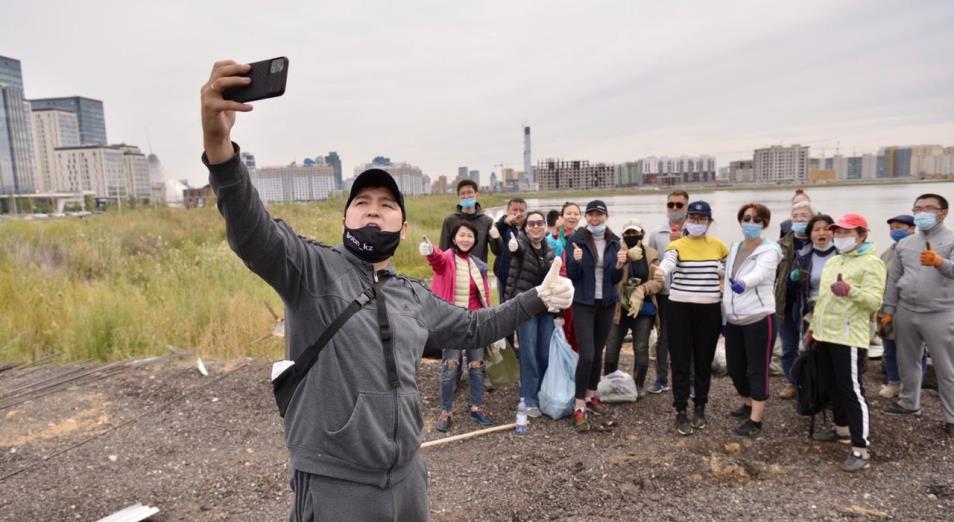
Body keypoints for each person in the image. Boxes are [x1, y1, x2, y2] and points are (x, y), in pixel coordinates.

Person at [200, 60, 574, 521]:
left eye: (386, 205)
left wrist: (538, 297)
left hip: (407, 475)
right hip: (335, 483)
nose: (373, 212)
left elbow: (477, 327)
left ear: (402, 224)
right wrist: (220, 147)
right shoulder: (310, 269)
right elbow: (251, 229)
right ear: (345, 220)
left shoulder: (411, 297)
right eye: (361, 203)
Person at [805, 213, 885, 472]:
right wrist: (813, 329)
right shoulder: (834, 260)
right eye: (837, 232)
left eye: (847, 233)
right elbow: (824, 301)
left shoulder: (872, 263)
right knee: (832, 386)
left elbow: (874, 301)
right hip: (826, 334)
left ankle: (860, 449)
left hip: (849, 336)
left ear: (862, 235)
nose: (840, 237)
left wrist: (851, 291)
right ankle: (841, 430)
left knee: (852, 389)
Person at [652, 200, 728, 436]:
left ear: (709, 222)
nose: (697, 223)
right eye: (693, 219)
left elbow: (730, 269)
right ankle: (680, 411)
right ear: (686, 221)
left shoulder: (719, 246)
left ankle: (700, 407)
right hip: (680, 310)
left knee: (703, 362)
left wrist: (726, 272)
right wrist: (662, 270)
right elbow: (669, 262)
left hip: (709, 310)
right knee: (681, 362)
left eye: (701, 219)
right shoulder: (678, 245)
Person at [882, 194, 954, 438]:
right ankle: (909, 402)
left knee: (946, 367)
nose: (922, 212)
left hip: (941, 311)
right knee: (907, 360)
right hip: (906, 309)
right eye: (918, 208)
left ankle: (951, 416)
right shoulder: (906, 244)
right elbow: (894, 279)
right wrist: (888, 310)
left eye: (928, 208)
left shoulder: (951, 239)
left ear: (943, 212)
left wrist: (940, 262)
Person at [420, 222, 494, 432]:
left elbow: (485, 296)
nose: (465, 239)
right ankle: (446, 411)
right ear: (454, 238)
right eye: (462, 235)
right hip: (452, 323)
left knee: (477, 367)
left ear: (474, 240)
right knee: (450, 367)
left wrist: (490, 324)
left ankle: (477, 407)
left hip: (475, 323)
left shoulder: (478, 265)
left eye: (469, 236)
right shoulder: (446, 259)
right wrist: (430, 250)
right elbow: (436, 260)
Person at [722, 204, 782, 438]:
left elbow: (762, 273)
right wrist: (724, 316)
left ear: (764, 223)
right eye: (746, 218)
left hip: (759, 318)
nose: (751, 223)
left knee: (757, 369)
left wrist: (744, 282)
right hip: (734, 320)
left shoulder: (770, 250)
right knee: (736, 368)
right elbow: (727, 277)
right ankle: (747, 403)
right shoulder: (735, 247)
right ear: (740, 221)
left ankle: (755, 421)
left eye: (757, 220)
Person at [567, 200, 624, 431]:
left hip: (606, 303)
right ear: (586, 217)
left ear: (606, 216)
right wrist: (577, 261)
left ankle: (591, 396)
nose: (594, 219)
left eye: (599, 215)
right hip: (583, 303)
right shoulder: (576, 240)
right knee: (587, 354)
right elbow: (572, 274)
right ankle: (579, 405)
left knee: (598, 352)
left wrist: (620, 266)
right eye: (590, 215)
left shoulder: (615, 241)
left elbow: (614, 279)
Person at [603, 219, 663, 398]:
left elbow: (658, 282)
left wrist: (642, 289)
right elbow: (609, 275)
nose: (631, 236)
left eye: (634, 232)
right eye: (627, 233)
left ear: (642, 233)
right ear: (622, 235)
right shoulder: (614, 250)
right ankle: (609, 383)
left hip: (643, 307)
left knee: (641, 347)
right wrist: (626, 258)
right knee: (612, 348)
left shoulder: (651, 253)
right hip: (618, 308)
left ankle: (638, 384)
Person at [505, 210, 557, 418]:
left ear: (545, 226)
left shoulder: (550, 250)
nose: (535, 227)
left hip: (546, 308)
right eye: (531, 224)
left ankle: (543, 395)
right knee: (528, 354)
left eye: (539, 223)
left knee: (544, 353)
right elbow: (515, 250)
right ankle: (528, 399)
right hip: (525, 308)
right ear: (526, 228)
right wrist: (514, 246)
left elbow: (554, 282)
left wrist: (559, 311)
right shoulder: (521, 245)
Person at [646, 190, 690, 394]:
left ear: (686, 206)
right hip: (664, 294)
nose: (674, 209)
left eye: (679, 205)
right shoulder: (656, 234)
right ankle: (661, 379)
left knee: (688, 339)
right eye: (670, 205)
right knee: (663, 338)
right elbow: (651, 262)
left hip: (689, 293)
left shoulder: (695, 232)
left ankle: (688, 381)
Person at [775, 200, 815, 399]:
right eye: (795, 217)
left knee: (810, 346)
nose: (799, 220)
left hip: (810, 305)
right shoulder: (782, 244)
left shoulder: (819, 241)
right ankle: (792, 382)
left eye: (804, 216)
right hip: (786, 302)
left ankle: (811, 383)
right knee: (788, 346)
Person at [876, 214, 917, 399]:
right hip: (886, 309)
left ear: (912, 229)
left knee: (913, 352)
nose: (894, 231)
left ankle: (911, 389)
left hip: (909, 309)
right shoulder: (888, 252)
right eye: (892, 228)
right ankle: (893, 383)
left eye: (899, 227)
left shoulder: (919, 250)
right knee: (889, 348)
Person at [789, 214, 837, 345]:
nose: (822, 233)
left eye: (826, 229)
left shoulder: (843, 254)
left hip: (838, 312)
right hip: (811, 312)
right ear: (810, 234)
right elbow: (791, 288)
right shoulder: (802, 256)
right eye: (816, 230)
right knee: (812, 353)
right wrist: (794, 278)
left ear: (833, 232)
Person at [438, 179, 494, 262]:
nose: (466, 196)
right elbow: (443, 250)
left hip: (478, 271)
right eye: (463, 193)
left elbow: (497, 251)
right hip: (455, 271)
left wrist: (496, 238)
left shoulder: (487, 221)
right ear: (459, 196)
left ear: (476, 194)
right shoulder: (449, 221)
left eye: (469, 192)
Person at [489, 198, 527, 302]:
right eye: (514, 210)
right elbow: (493, 232)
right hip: (504, 275)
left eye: (521, 210)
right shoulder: (504, 226)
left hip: (524, 277)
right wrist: (504, 222)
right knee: (504, 308)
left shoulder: (529, 228)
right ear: (507, 211)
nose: (518, 213)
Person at [557, 202, 583, 352]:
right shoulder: (553, 238)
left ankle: (575, 367)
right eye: (568, 213)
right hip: (559, 289)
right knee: (561, 328)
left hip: (577, 289)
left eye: (576, 213)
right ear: (561, 217)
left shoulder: (582, 237)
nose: (572, 217)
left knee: (575, 330)